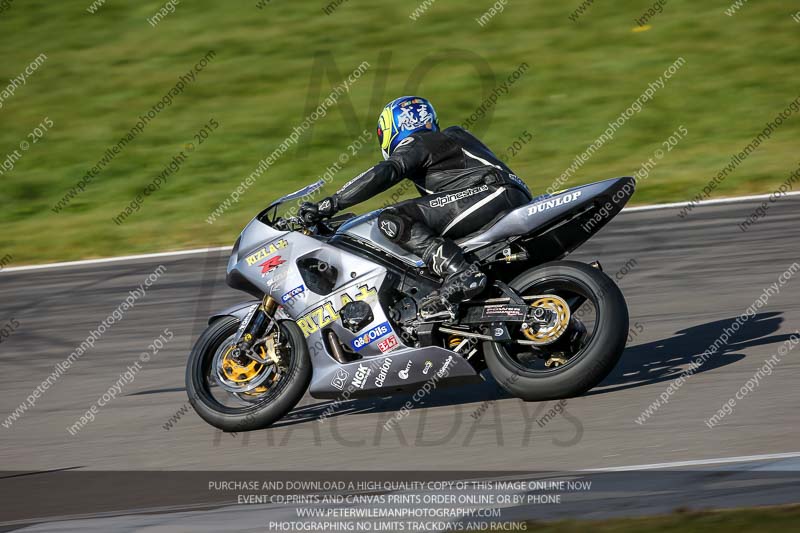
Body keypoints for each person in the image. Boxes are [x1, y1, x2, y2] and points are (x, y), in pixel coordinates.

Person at [300, 96, 532, 306]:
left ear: (394, 127)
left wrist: (331, 203)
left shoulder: (421, 141)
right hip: (503, 194)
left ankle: (461, 272)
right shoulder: (445, 141)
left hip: (491, 192)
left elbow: (386, 171)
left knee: (395, 219)